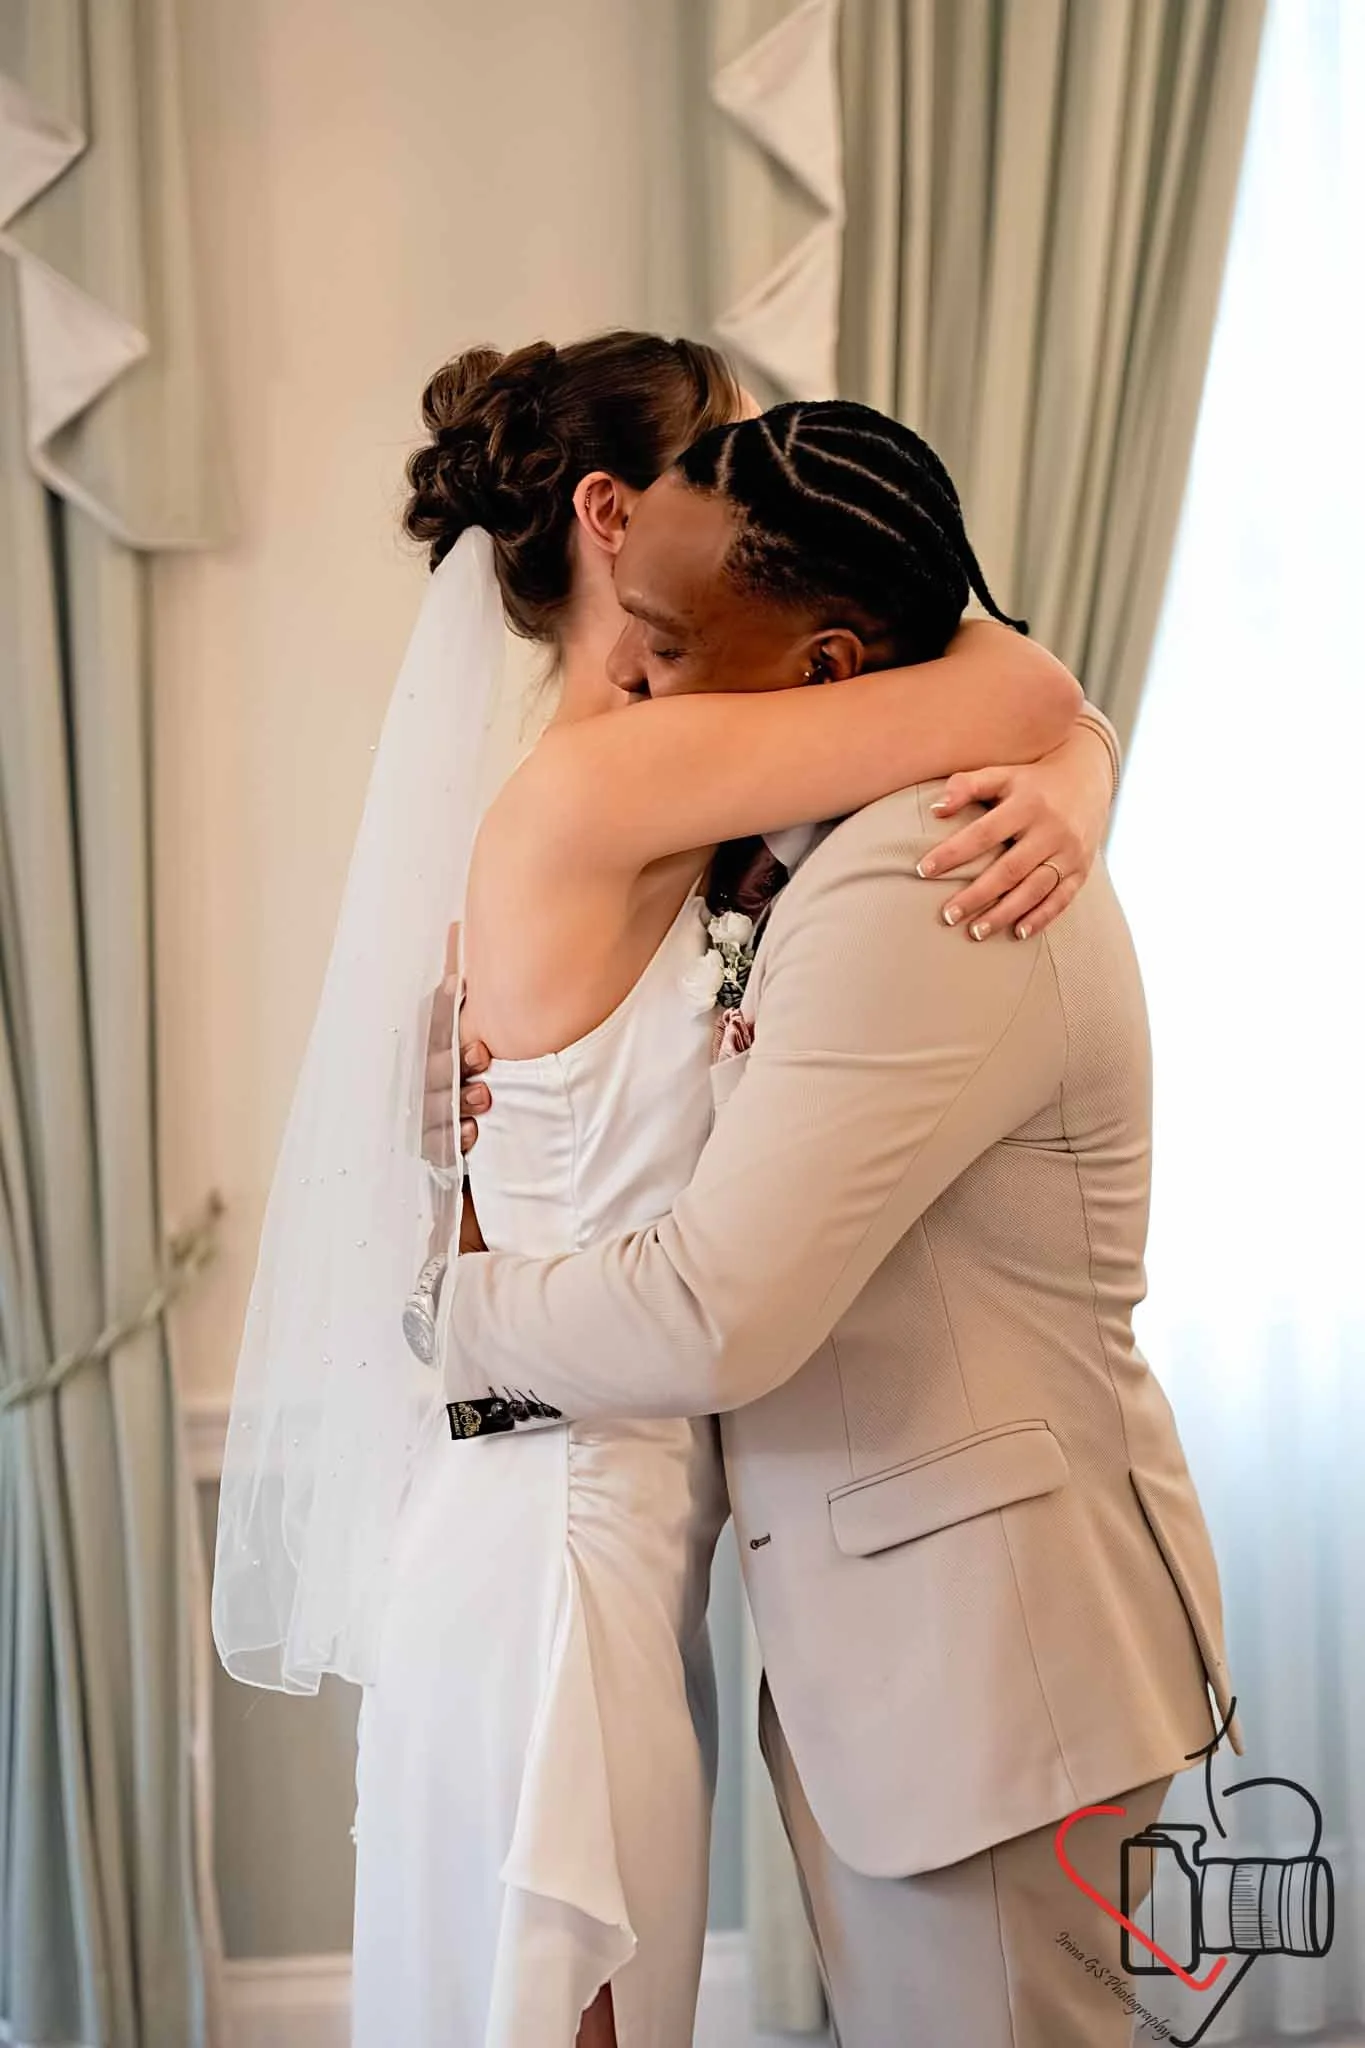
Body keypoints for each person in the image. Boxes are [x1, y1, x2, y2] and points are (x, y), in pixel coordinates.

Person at [213, 332, 1116, 2048]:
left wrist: (1084, 770)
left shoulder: (655, 777)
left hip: (585, 1535)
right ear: (617, 520)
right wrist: (1076, 760)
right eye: (717, 475)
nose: (741, 515)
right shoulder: (620, 780)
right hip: (561, 1550)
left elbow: (960, 653)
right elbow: (1009, 683)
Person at [441, 398, 1235, 2048]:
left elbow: (722, 1307)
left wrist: (449, 1312)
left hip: (991, 1675)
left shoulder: (922, 874)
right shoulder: (811, 830)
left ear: (825, 668)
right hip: (906, 1660)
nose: (632, 684)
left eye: (665, 641)